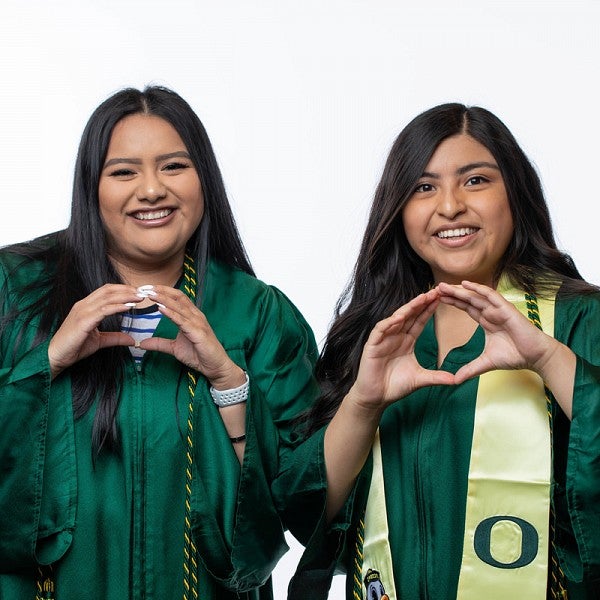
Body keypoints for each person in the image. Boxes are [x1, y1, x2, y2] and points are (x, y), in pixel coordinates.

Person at [0, 85, 318, 599]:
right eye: (123, 171)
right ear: (91, 187)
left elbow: (304, 501)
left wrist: (230, 386)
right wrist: (47, 362)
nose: (151, 190)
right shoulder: (15, 289)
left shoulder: (256, 314)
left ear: (204, 180)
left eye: (173, 167)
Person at [275, 104, 600, 599]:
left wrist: (548, 360)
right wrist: (364, 402)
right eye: (424, 187)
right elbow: (305, 510)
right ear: (399, 209)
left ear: (515, 194)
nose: (449, 207)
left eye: (475, 181)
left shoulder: (578, 318)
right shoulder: (373, 336)